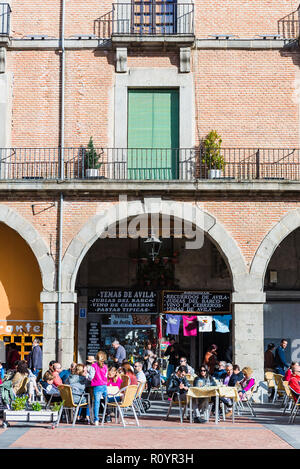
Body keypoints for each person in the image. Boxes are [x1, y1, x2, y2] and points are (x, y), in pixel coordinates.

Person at [91, 351, 108, 426]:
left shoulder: (93, 366)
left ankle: (96, 419)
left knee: (96, 403)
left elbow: (91, 376)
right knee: (107, 401)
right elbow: (106, 376)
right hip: (104, 385)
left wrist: (87, 376)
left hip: (97, 385)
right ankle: (118, 398)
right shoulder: (105, 366)